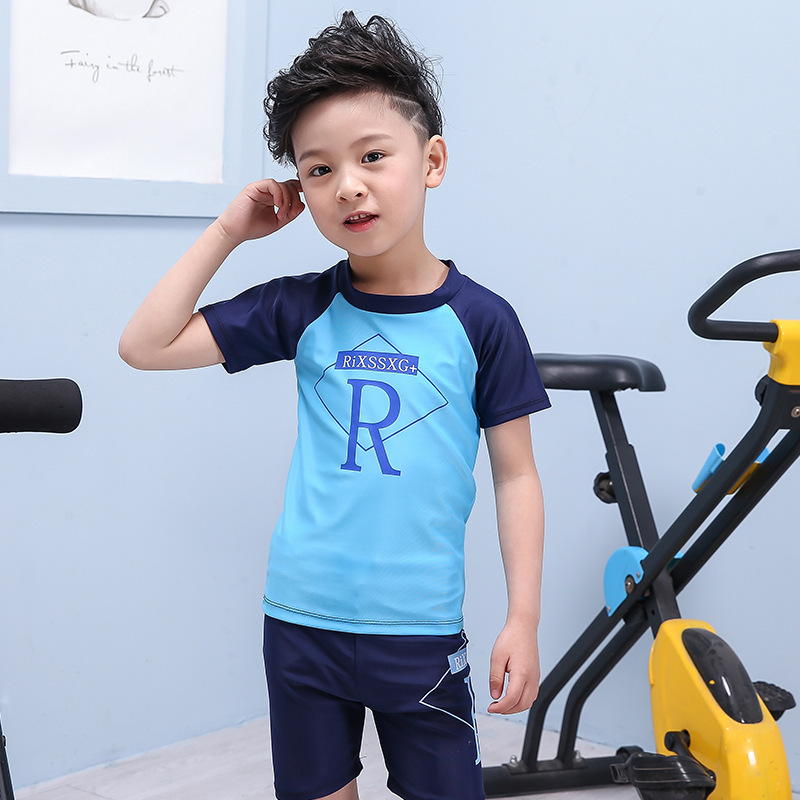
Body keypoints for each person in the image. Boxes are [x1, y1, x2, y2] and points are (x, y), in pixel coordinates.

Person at [119, 11, 550, 800]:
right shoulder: (302, 306)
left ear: (432, 161)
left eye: (372, 156)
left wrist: (522, 617)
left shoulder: (483, 321)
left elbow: (516, 475)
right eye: (318, 170)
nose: (347, 184)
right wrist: (228, 231)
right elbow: (144, 345)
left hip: (419, 632)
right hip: (300, 623)